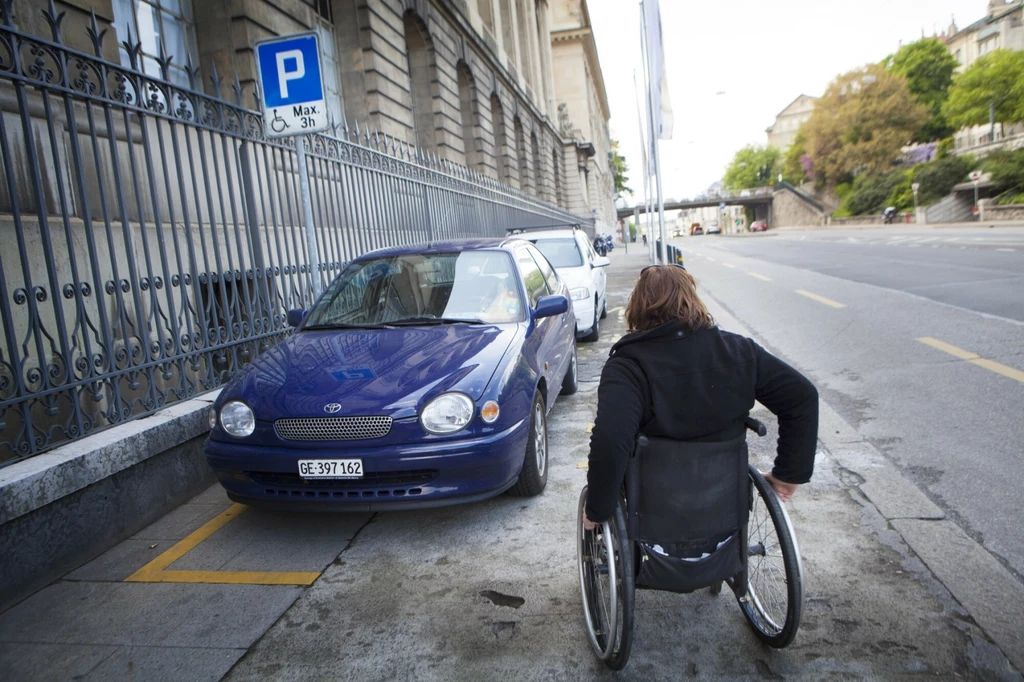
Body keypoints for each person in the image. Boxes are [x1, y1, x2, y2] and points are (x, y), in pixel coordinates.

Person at [583, 264, 818, 530]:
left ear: (637, 307)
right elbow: (802, 397)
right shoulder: (738, 352)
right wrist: (788, 474)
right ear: (692, 300)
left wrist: (597, 510)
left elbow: (611, 439)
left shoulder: (627, 366)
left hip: (653, 512)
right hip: (724, 508)